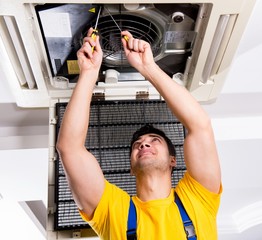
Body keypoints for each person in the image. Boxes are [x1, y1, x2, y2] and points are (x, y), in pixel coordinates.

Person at [56, 27, 222, 239]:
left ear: (173, 160)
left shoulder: (199, 199)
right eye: (137, 145)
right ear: (131, 168)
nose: (143, 145)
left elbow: (200, 125)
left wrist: (148, 67)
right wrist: (89, 73)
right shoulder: (112, 210)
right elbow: (69, 148)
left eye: (154, 140)